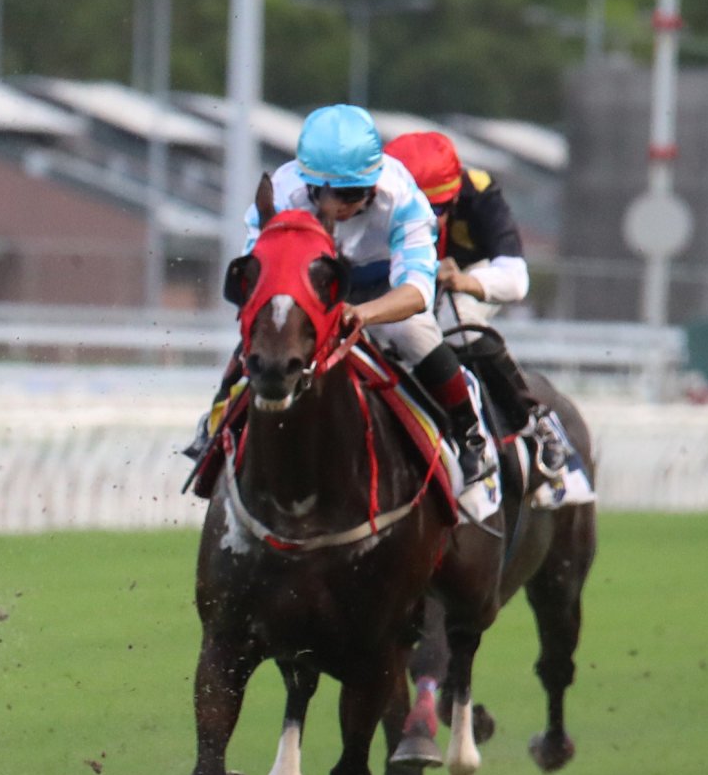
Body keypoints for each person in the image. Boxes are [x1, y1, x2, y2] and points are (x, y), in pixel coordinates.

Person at [189, 104, 492, 494]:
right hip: (310, 289)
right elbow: (260, 283)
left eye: (350, 194)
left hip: (384, 291)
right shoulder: (282, 193)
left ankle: (469, 433)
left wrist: (362, 313)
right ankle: (214, 427)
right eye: (325, 195)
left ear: (374, 182)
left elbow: (417, 291)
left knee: (411, 332)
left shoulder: (403, 197)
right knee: (268, 337)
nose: (337, 207)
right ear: (307, 183)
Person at [385, 130, 565, 474]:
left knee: (456, 326)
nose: (418, 219)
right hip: (405, 277)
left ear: (453, 198)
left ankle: (535, 420)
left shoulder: (479, 192)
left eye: (431, 209)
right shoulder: (373, 194)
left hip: (466, 276)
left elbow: (515, 278)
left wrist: (463, 281)